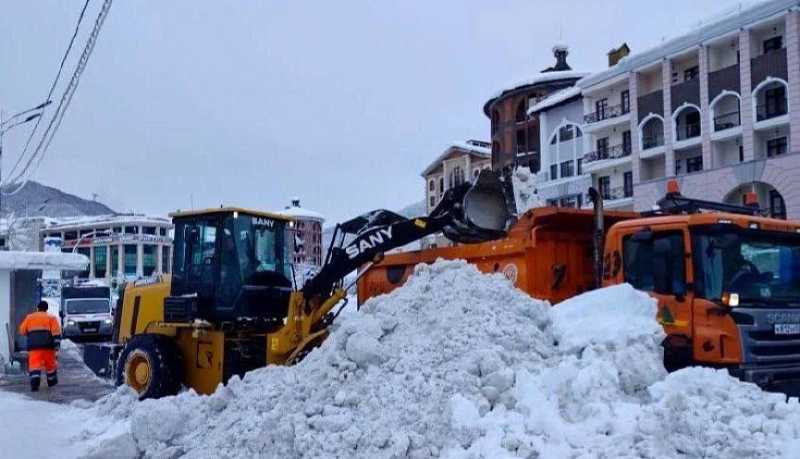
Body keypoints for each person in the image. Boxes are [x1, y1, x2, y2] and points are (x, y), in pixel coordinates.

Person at [18, 300, 62, 392]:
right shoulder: (51, 318)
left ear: (38, 308)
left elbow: (22, 331)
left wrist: (31, 334)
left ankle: (35, 385)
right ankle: (51, 382)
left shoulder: (29, 317)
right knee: (50, 366)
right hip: (48, 347)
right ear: (47, 309)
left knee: (34, 366)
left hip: (34, 347)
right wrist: (57, 346)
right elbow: (56, 333)